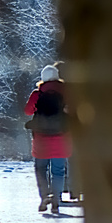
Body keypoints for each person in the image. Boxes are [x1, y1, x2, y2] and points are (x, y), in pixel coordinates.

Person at [24, 64, 69, 213]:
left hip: (41, 139)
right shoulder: (67, 93)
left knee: (41, 168)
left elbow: (27, 111)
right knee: (58, 170)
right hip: (61, 138)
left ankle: (44, 196)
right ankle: (56, 200)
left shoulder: (37, 94)